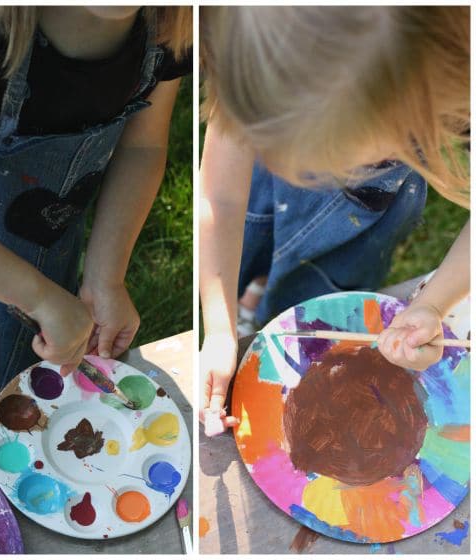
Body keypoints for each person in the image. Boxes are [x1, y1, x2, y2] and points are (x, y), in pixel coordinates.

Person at [199, 6, 469, 429]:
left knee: (310, 288)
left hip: (354, 232)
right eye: (270, 145)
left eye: (329, 161)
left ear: (421, 116)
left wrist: (434, 303)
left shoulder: (458, 97)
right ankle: (250, 293)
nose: (298, 173)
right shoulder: (262, 52)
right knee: (253, 250)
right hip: (258, 202)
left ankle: (268, 296)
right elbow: (221, 200)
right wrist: (218, 329)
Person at [0, 5, 192, 388]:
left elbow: (142, 147)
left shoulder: (170, 24)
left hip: (39, 245)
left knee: (11, 357)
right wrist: (38, 298)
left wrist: (106, 277)